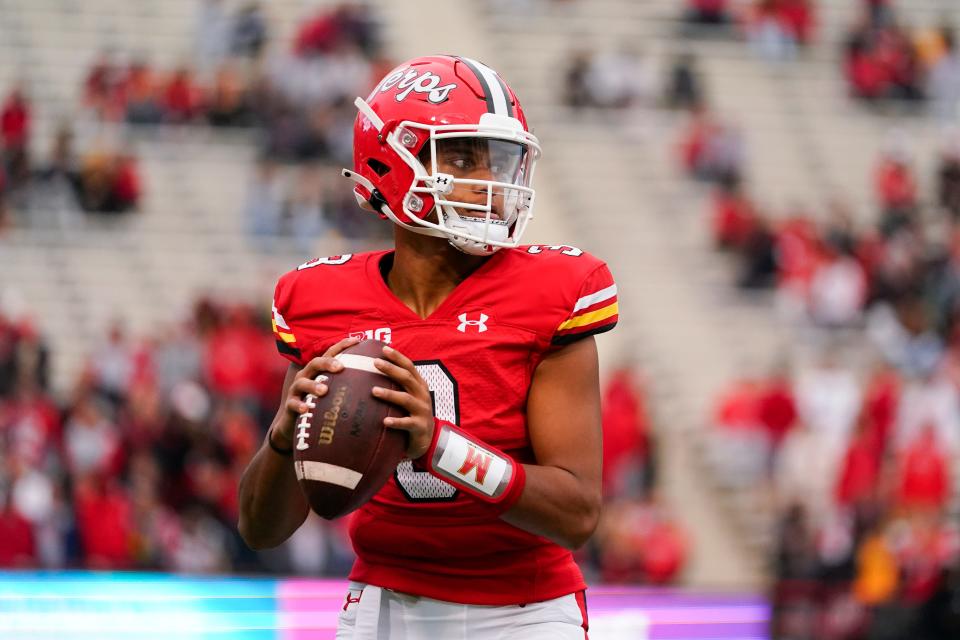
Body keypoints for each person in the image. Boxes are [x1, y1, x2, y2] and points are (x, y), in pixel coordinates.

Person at [238, 54, 618, 639]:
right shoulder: (320, 299)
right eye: (464, 157)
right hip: (384, 605)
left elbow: (577, 513)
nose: (490, 181)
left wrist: (440, 445)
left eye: (497, 159)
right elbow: (261, 530)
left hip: (526, 610)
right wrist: (282, 442)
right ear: (393, 161)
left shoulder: (553, 291)